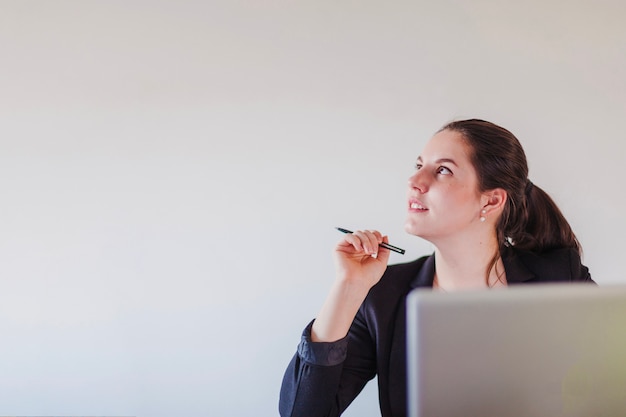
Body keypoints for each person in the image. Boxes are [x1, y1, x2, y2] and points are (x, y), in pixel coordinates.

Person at [278, 119, 594, 417]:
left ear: (491, 201)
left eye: (442, 170)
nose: (414, 181)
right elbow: (302, 412)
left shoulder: (559, 279)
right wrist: (348, 287)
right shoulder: (384, 296)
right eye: (418, 166)